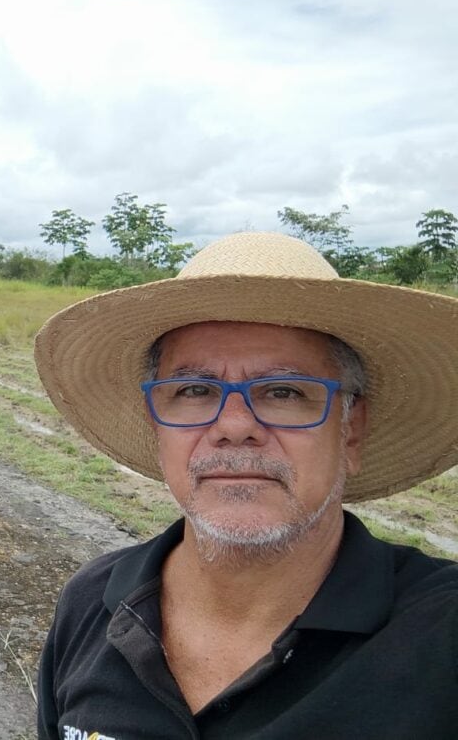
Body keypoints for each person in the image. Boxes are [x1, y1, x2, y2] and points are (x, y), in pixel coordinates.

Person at [33, 232, 458, 739]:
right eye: (194, 390)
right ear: (156, 427)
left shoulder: (442, 634)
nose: (235, 425)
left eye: (283, 391)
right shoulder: (90, 600)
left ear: (352, 429)